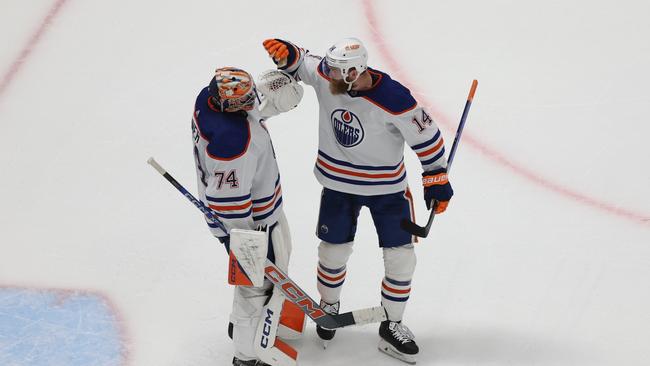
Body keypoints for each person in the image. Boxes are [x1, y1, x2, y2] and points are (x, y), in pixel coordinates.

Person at [262, 38, 454, 364]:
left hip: (388, 191)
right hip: (338, 186)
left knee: (401, 258)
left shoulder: (393, 98)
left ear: (355, 71)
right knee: (332, 252)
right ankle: (328, 308)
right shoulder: (330, 76)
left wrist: (436, 177)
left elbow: (427, 136)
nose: (329, 74)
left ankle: (391, 324)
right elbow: (304, 64)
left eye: (338, 70)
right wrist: (289, 54)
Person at [191, 67, 304, 366]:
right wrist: (244, 243)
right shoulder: (232, 141)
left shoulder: (208, 96)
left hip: (263, 214)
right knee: (255, 287)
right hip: (252, 224)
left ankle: (241, 326)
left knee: (261, 280)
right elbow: (227, 201)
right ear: (225, 104)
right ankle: (247, 355)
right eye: (242, 102)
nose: (250, 103)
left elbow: (253, 110)